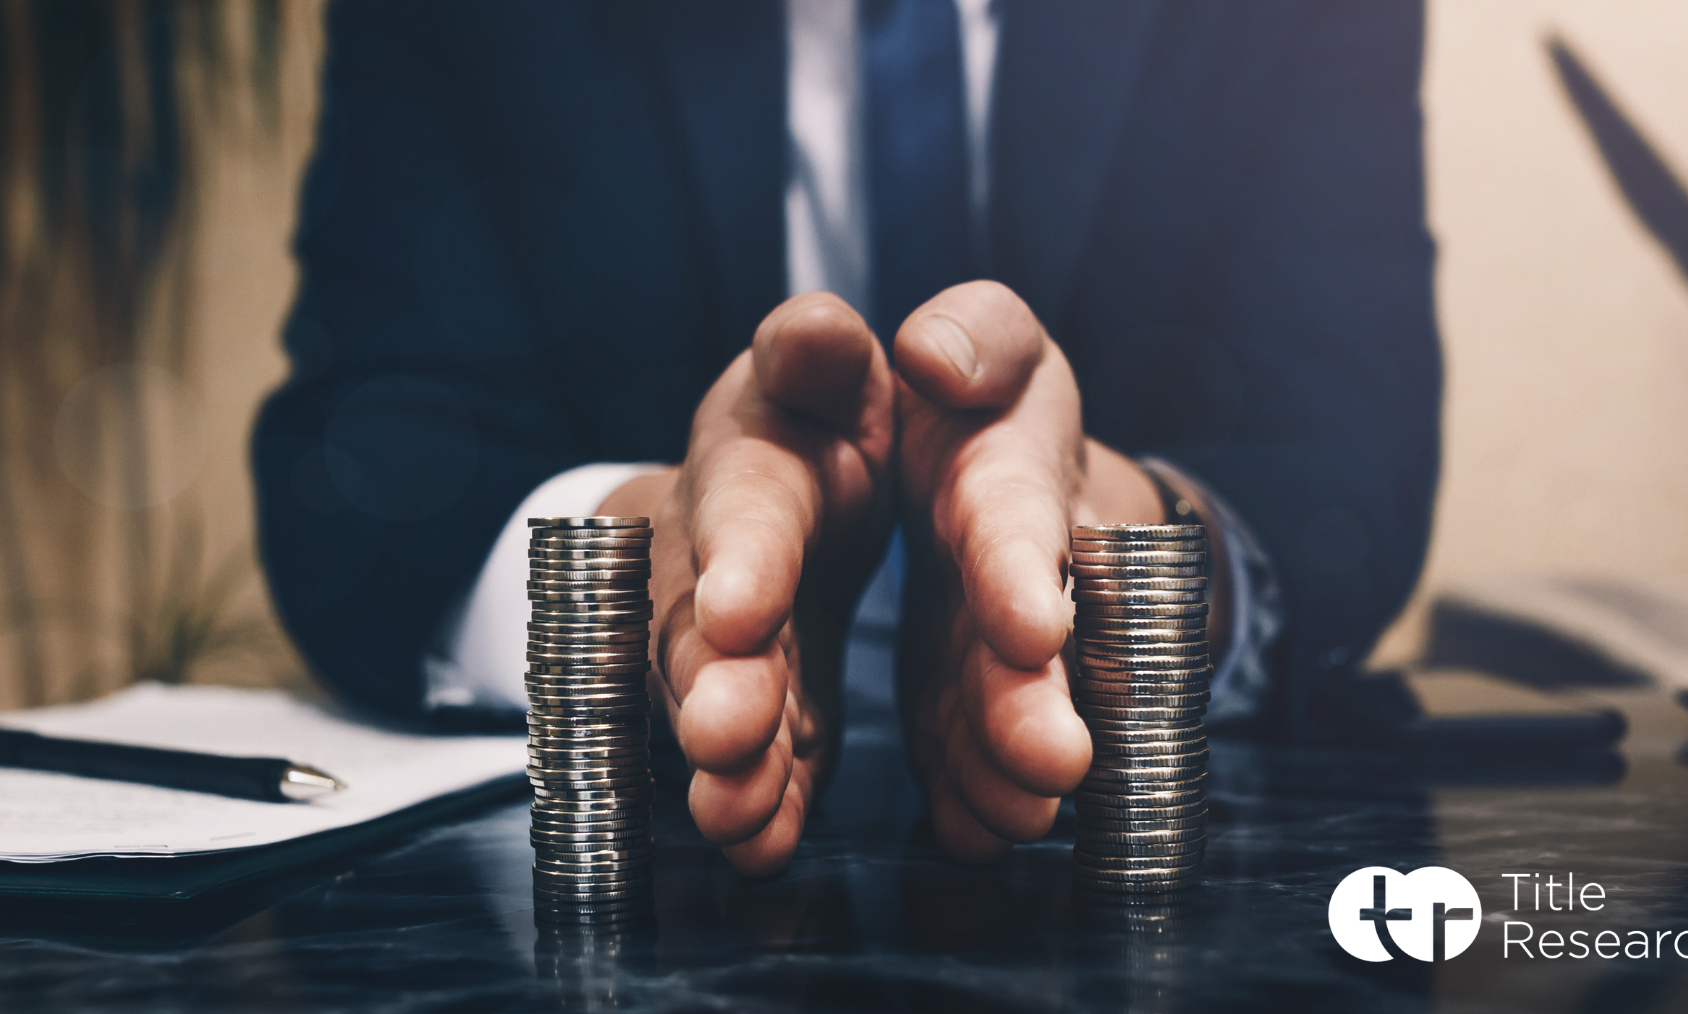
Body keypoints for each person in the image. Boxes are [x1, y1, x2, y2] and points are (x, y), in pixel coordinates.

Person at [254, 0, 1441, 876]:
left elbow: (1349, 460)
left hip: (1116, 829)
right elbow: (356, 470)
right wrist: (655, 555)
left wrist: (1101, 541)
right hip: (659, 848)